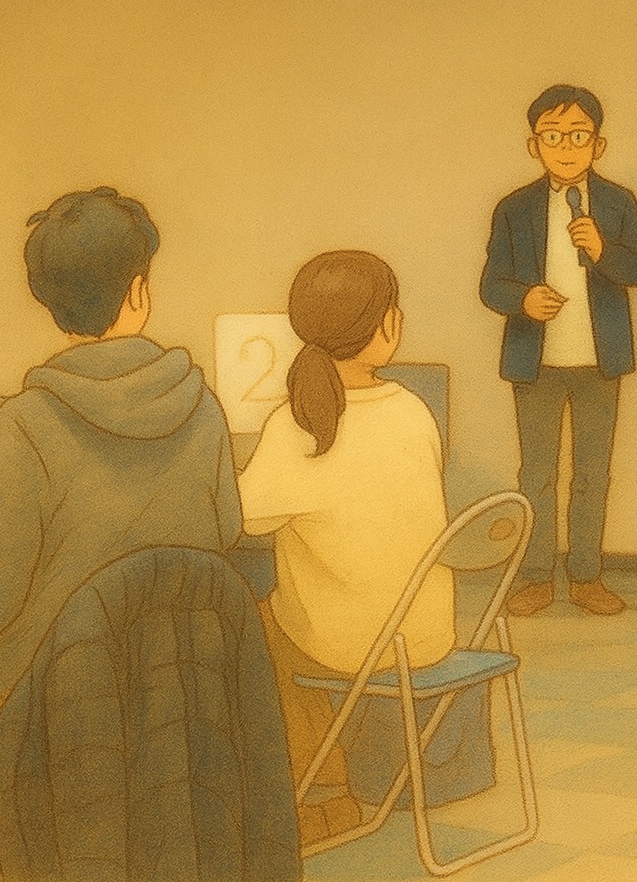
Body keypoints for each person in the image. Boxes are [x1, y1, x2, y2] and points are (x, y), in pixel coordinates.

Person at [0, 186, 242, 869]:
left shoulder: (26, 423)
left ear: (49, 303)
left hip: (50, 680)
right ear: (139, 291)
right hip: (173, 675)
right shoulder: (203, 409)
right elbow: (225, 532)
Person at [238, 250, 452, 846]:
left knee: (251, 623)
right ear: (385, 325)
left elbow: (244, 519)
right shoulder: (412, 410)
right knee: (284, 617)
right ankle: (331, 785)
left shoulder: (296, 424)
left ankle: (325, 794)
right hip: (428, 632)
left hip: (353, 645)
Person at [480, 84, 637, 617]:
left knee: (592, 475)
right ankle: (536, 577)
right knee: (536, 476)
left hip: (600, 362)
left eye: (578, 136)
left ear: (598, 145)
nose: (566, 147)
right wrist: (523, 299)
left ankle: (585, 576)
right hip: (535, 363)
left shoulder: (618, 203)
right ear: (533, 145)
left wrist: (602, 250)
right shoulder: (514, 209)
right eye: (552, 136)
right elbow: (491, 284)